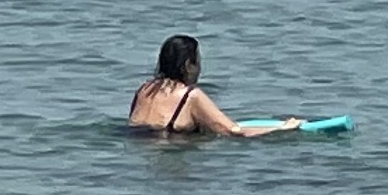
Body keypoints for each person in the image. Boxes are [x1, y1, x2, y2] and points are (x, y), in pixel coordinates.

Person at [127, 34, 303, 138]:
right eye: (198, 62)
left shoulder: (144, 89)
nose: (200, 69)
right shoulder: (191, 96)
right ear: (188, 65)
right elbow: (235, 132)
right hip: (171, 150)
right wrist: (283, 128)